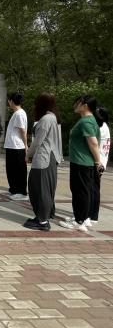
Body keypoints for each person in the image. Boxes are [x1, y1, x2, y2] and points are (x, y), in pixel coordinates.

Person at [59, 95, 103, 232]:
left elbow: (93, 143)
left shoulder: (86, 122)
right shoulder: (88, 120)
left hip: (82, 162)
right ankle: (82, 217)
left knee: (81, 192)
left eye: (77, 103)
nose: (75, 105)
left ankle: (80, 221)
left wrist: (98, 162)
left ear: (85, 106)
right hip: (82, 162)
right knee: (82, 191)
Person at [23, 93, 62, 231]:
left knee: (39, 189)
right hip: (50, 157)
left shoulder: (46, 119)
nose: (34, 105)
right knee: (45, 188)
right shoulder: (53, 117)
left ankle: (43, 221)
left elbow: (37, 142)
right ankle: (43, 216)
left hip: (43, 158)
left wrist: (27, 155)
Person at [87, 107, 110, 227]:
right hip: (102, 161)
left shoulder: (101, 127)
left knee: (93, 189)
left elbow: (93, 142)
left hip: (98, 162)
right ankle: (93, 215)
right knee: (95, 189)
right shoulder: (105, 127)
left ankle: (91, 215)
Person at [4, 92, 29, 201]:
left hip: (17, 146)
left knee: (18, 170)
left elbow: (22, 130)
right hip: (12, 145)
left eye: (9, 100)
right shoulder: (17, 113)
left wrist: (26, 145)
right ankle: (14, 189)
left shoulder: (19, 114)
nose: (8, 102)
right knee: (11, 169)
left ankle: (21, 192)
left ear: (11, 101)